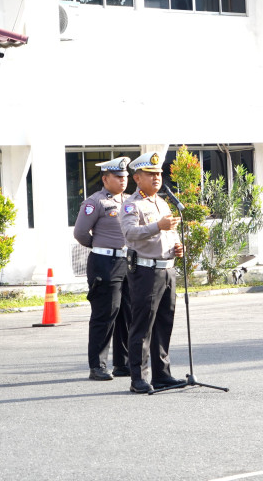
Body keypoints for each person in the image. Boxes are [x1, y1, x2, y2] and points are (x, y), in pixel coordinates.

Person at [119, 152, 185, 394]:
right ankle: (138, 377)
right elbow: (130, 234)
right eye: (151, 174)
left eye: (159, 173)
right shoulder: (131, 204)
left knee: (164, 324)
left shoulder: (162, 202)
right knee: (143, 326)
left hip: (167, 270)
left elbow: (169, 233)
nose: (157, 178)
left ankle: (162, 374)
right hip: (146, 272)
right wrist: (158, 225)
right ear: (137, 178)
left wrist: (177, 246)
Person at [73, 156, 132, 381]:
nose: (122, 181)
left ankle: (123, 363)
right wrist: (99, 246)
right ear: (105, 179)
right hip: (104, 263)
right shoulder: (95, 202)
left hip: (126, 262)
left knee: (126, 313)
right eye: (118, 177)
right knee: (104, 314)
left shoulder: (129, 201)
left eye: (125, 177)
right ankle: (97, 365)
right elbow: (80, 233)